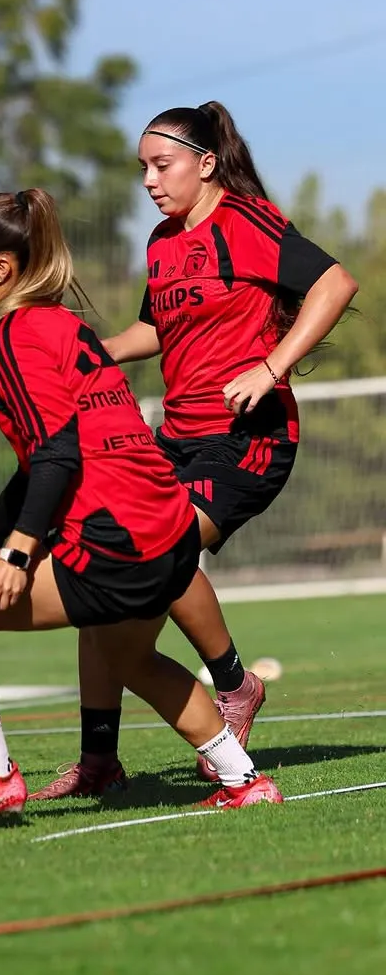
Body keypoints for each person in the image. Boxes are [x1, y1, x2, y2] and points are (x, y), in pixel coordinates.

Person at [0, 189, 283, 830]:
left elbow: (56, 455)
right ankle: (244, 779)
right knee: (130, 657)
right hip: (169, 529)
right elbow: (48, 455)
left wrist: (16, 554)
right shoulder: (66, 326)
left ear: (1, 268)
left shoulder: (6, 338)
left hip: (114, 542)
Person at [31, 101, 359, 799]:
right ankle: (98, 763)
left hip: (249, 440)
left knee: (160, 544)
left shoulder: (246, 223)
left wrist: (272, 366)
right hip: (174, 440)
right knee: (102, 578)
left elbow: (335, 284)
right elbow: (156, 329)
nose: (150, 180)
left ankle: (234, 683)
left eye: (162, 165)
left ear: (206, 164)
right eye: (143, 169)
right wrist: (90, 351)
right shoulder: (161, 241)